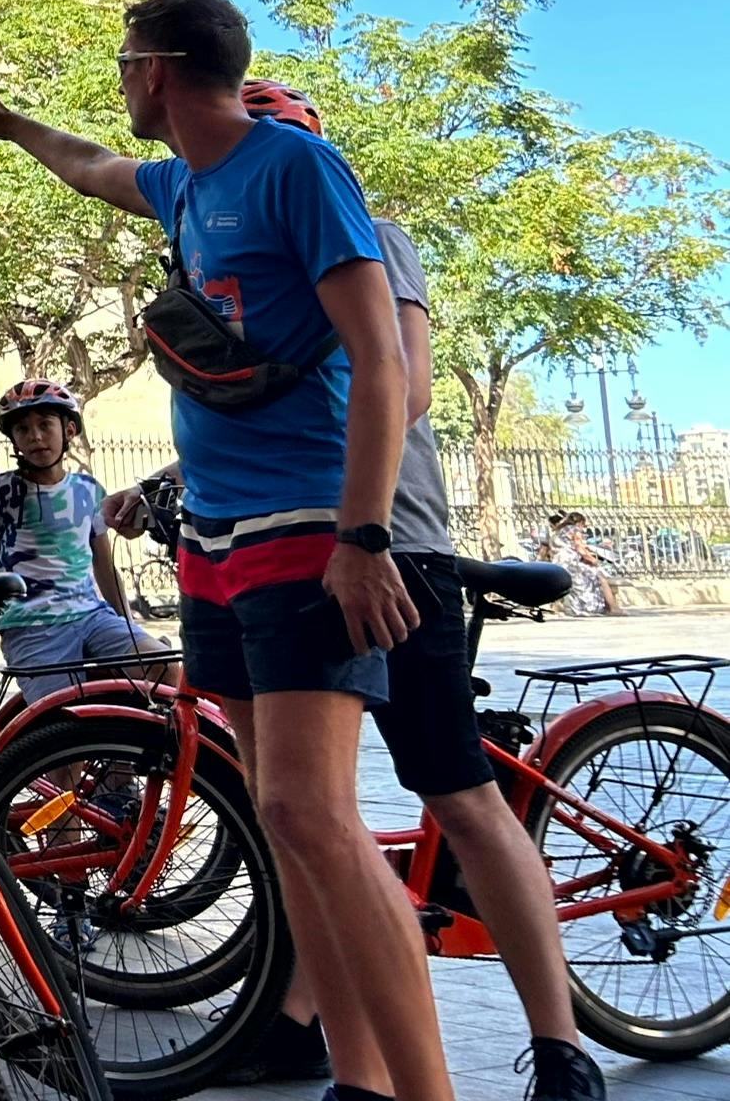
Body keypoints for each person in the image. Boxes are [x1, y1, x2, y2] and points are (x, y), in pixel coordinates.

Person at [0, 0, 453, 1101]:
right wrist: (11, 125)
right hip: (215, 541)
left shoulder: (294, 169)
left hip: (301, 531)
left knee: (310, 814)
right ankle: (359, 1081)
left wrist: (363, 535)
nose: (118, 82)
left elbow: (381, 361)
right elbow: (89, 165)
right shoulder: (183, 184)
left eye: (123, 61)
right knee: (282, 827)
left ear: (159, 68)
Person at [112, 79, 602, 1099]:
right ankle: (320, 1038)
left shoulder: (365, 233)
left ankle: (559, 1046)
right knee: (304, 816)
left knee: (454, 793)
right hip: (283, 539)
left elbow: (403, 384)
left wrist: (347, 511)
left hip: (389, 549)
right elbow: (253, 397)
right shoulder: (227, 244)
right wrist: (172, 477)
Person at [0, 382, 168, 699]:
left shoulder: (88, 490)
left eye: (45, 425)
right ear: (13, 439)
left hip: (92, 615)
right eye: (23, 429)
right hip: (32, 624)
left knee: (165, 668)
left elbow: (104, 565)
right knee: (58, 716)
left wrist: (128, 625)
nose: (35, 436)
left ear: (68, 430)